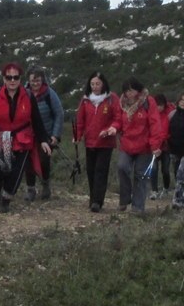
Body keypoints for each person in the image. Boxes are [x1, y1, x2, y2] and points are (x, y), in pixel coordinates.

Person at [0, 62, 52, 212]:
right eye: (9, 77)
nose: (12, 80)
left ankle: (6, 200)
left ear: (20, 79)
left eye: (16, 77)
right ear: (4, 78)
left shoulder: (28, 96)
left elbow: (36, 119)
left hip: (22, 139)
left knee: (16, 171)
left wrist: (44, 140)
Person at [102, 77, 166, 214]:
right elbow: (118, 120)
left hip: (145, 146)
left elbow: (155, 124)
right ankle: (125, 199)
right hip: (127, 144)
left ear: (138, 89)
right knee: (122, 167)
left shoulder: (148, 102)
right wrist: (113, 128)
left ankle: (138, 207)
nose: (129, 94)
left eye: (131, 90)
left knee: (141, 175)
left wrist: (155, 145)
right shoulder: (122, 103)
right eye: (126, 91)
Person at [73, 71, 122, 213]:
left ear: (103, 84)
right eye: (92, 84)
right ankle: (93, 198)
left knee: (101, 170)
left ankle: (97, 201)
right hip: (90, 141)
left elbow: (117, 118)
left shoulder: (112, 98)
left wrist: (111, 128)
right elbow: (80, 120)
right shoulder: (85, 100)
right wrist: (77, 135)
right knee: (91, 171)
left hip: (105, 142)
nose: (95, 87)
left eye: (98, 84)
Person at [23, 67, 64, 201]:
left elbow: (59, 114)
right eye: (33, 81)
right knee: (28, 162)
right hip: (28, 134)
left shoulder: (49, 94)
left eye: (38, 80)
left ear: (42, 80)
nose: (35, 83)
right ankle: (30, 189)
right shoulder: (24, 93)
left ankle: (45, 184)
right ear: (28, 81)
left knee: (44, 160)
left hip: (46, 134)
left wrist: (55, 135)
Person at [149, 92, 174, 200]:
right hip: (154, 147)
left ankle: (166, 188)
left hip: (166, 147)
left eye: (161, 105)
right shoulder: (151, 113)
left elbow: (170, 130)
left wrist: (164, 139)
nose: (159, 107)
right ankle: (154, 190)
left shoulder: (170, 113)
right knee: (153, 168)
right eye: (157, 105)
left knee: (165, 169)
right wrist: (153, 145)